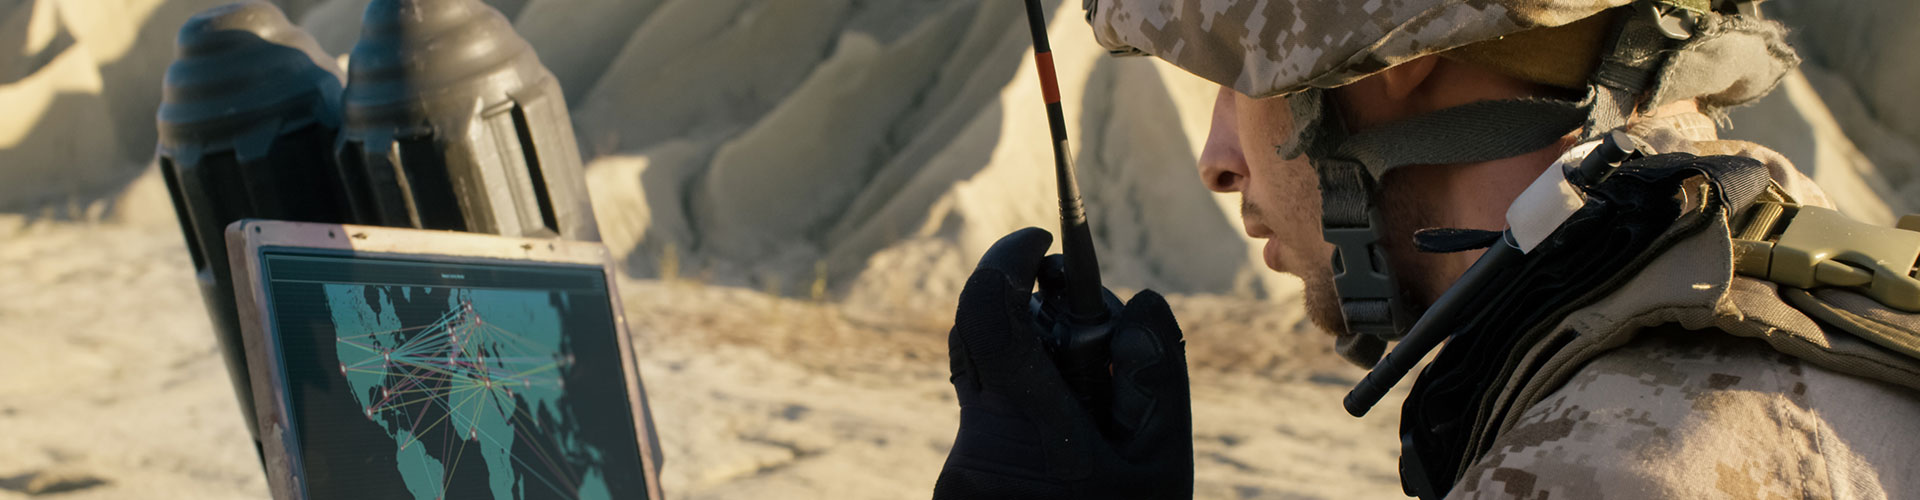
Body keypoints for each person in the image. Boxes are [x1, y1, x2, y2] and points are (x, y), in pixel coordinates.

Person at [932, 1, 1920, 498]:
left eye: (1237, 77)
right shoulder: (1814, 291)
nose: (1217, 159)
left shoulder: (1610, 461)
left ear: (1394, 68)